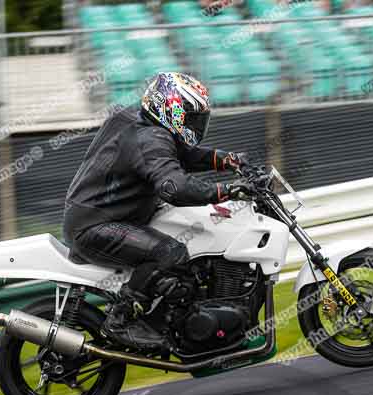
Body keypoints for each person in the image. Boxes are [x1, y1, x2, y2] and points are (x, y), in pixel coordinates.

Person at [63, 72, 253, 350]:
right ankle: (121, 319)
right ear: (170, 108)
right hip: (97, 225)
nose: (196, 124)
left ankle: (173, 319)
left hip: (103, 215)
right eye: (191, 116)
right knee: (171, 253)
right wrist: (227, 191)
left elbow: (179, 155)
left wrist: (228, 160)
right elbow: (174, 187)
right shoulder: (149, 137)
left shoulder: (138, 121)